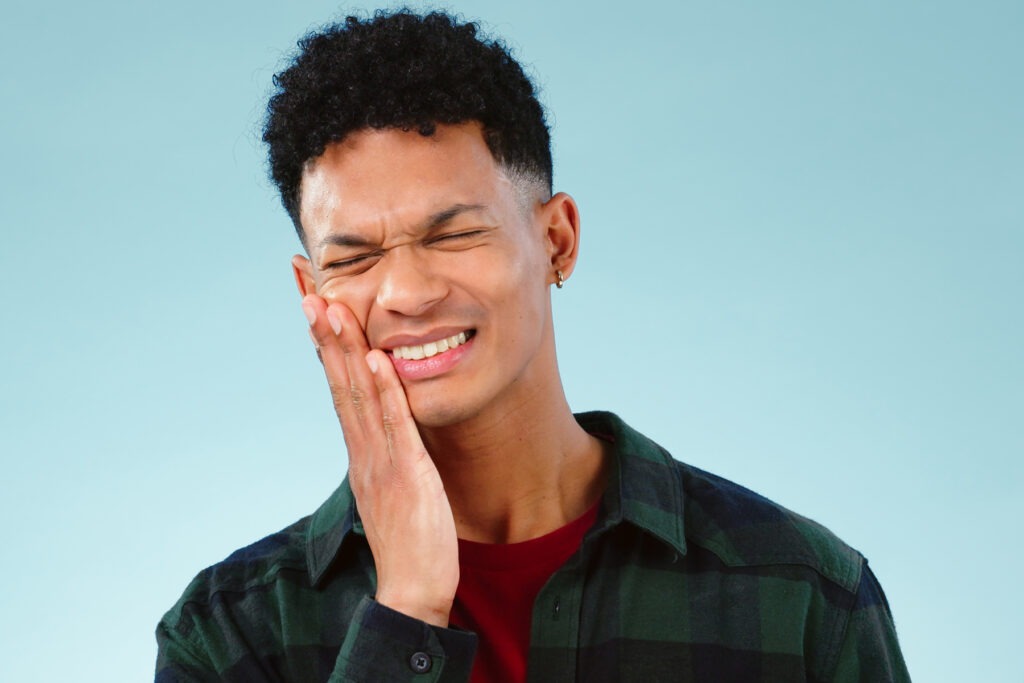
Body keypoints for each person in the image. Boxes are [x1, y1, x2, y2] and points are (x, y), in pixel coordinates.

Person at [155, 10, 910, 682]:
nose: (406, 293)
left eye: (453, 234)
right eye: (354, 258)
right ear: (310, 290)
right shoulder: (227, 637)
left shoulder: (803, 595)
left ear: (557, 240)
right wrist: (406, 612)